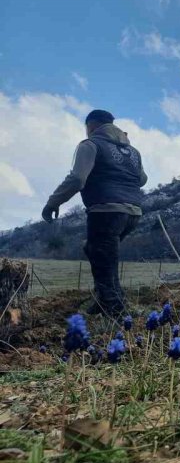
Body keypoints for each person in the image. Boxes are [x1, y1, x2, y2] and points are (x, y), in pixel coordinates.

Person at [43, 109, 147, 316]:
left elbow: (77, 179)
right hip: (133, 213)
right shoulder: (133, 151)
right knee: (95, 250)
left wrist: (53, 202)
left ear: (91, 125)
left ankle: (114, 312)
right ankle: (103, 301)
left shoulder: (90, 144)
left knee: (103, 258)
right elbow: (142, 179)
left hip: (105, 210)